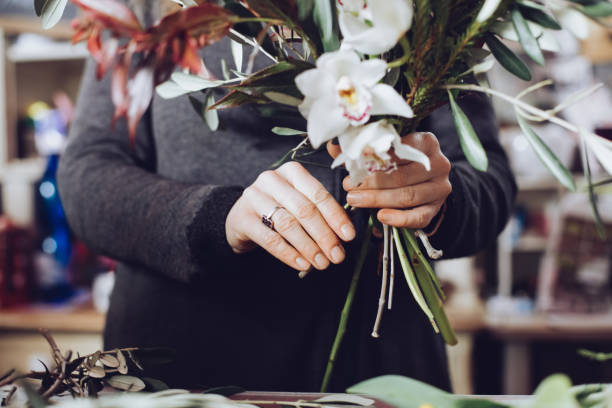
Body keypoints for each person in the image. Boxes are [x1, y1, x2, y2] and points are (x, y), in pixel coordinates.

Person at [57, 6, 516, 394]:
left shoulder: (432, 9)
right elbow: (86, 177)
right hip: (181, 370)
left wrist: (432, 201)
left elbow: (488, 180)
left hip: (377, 365)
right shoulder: (144, 9)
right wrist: (217, 218)